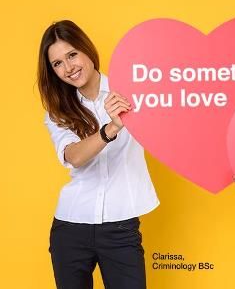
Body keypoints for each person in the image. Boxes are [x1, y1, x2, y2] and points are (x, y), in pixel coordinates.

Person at [38, 20, 159, 289]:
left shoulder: (132, 90)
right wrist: (111, 128)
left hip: (120, 229)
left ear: (86, 49)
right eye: (57, 63)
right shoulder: (58, 111)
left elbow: (177, 130)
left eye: (72, 55)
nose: (68, 68)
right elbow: (74, 156)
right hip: (70, 228)